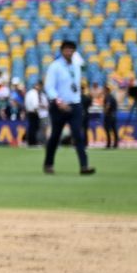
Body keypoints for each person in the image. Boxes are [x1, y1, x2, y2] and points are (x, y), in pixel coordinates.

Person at [43, 39, 94, 175]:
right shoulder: (55, 66)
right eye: (67, 50)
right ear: (62, 51)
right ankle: (48, 164)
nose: (69, 52)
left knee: (78, 135)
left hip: (75, 105)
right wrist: (59, 102)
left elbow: (85, 68)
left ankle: (84, 166)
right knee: (55, 136)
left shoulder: (76, 65)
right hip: (59, 106)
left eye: (72, 50)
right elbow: (49, 87)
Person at [22, 82, 43, 146]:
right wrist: (38, 113)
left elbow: (25, 103)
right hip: (34, 112)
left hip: (29, 111)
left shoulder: (29, 92)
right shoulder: (34, 93)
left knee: (31, 127)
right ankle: (33, 142)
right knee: (34, 128)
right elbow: (35, 105)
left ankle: (30, 141)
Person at [101, 81, 119, 149]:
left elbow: (108, 105)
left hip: (109, 116)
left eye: (104, 89)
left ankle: (109, 144)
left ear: (107, 90)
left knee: (107, 130)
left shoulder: (108, 96)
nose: (103, 90)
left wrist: (105, 112)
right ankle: (115, 144)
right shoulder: (112, 96)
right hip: (113, 115)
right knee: (114, 130)